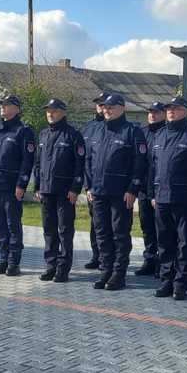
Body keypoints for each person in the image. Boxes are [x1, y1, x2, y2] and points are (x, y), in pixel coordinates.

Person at [85, 93, 147, 291]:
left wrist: (132, 189)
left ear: (122, 108)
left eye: (111, 107)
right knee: (102, 233)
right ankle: (105, 270)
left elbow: (139, 162)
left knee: (120, 234)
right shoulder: (97, 130)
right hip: (99, 192)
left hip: (121, 193)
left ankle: (118, 274)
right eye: (104, 107)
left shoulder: (132, 131)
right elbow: (89, 160)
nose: (106, 110)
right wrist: (89, 187)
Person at [149, 96, 187, 301]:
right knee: (165, 241)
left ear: (186, 111)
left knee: (184, 243)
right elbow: (153, 167)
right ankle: (167, 280)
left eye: (176, 108)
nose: (171, 111)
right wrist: (152, 194)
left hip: (186, 199)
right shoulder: (160, 134)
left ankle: (181, 283)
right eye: (168, 109)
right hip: (162, 198)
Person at [0, 95, 36, 277]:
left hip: (11, 187)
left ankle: (14, 262)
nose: (2, 107)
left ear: (17, 108)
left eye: (6, 105)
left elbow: (27, 161)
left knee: (13, 225)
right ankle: (3, 259)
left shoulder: (23, 131)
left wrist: (21, 185)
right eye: (1, 105)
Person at [34, 98, 85, 283]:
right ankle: (51, 265)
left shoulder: (73, 135)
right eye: (48, 110)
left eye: (54, 110)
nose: (50, 113)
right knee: (49, 230)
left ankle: (63, 268)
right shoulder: (43, 134)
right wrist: (37, 186)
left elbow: (79, 165)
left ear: (63, 112)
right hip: (46, 191)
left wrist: (75, 188)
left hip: (65, 192)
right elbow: (38, 164)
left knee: (64, 231)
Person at [136, 102, 167, 278]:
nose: (152, 115)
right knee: (146, 226)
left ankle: (162, 263)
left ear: (163, 114)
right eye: (150, 112)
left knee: (161, 228)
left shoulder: (166, 133)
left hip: (161, 188)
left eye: (156, 112)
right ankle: (149, 259)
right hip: (144, 187)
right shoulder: (142, 132)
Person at [81, 93, 109, 270]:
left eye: (103, 103)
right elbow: (85, 158)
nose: (100, 106)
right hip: (93, 186)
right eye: (98, 103)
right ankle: (96, 255)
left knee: (110, 225)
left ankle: (108, 258)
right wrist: (87, 185)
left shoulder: (114, 127)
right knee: (96, 223)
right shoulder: (89, 128)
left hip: (111, 187)